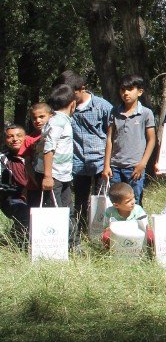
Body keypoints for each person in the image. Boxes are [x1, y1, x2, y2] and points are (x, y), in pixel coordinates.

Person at [55, 71, 114, 238]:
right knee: (79, 199)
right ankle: (79, 231)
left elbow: (111, 136)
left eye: (71, 93)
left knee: (100, 201)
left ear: (82, 89)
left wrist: (107, 163)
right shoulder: (64, 109)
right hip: (77, 162)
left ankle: (99, 235)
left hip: (100, 163)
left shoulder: (103, 106)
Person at [102, 74, 156, 205]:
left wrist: (142, 164)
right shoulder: (114, 112)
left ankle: (137, 225)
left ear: (140, 92)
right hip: (115, 167)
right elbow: (109, 138)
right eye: (122, 89)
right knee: (116, 202)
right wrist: (106, 165)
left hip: (134, 167)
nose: (125, 93)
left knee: (134, 201)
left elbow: (152, 140)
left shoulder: (146, 113)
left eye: (130, 89)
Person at [31, 84, 77, 209]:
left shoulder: (62, 120)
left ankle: (70, 229)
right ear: (73, 104)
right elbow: (49, 148)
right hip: (53, 175)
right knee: (54, 211)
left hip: (63, 174)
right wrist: (47, 177)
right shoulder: (58, 121)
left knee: (66, 209)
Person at [0, 124, 33, 245]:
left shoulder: (36, 155)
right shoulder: (2, 158)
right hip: (11, 199)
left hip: (36, 196)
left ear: (26, 137)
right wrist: (22, 190)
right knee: (26, 215)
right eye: (10, 136)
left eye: (19, 135)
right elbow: (2, 187)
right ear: (5, 139)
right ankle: (19, 244)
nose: (15, 139)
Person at [101, 181, 152, 247]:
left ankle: (144, 249)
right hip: (118, 236)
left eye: (133, 198)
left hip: (137, 234)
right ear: (116, 205)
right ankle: (111, 251)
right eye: (128, 201)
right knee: (105, 236)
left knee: (151, 235)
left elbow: (146, 227)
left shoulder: (138, 209)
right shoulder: (109, 212)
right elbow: (106, 229)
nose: (133, 202)